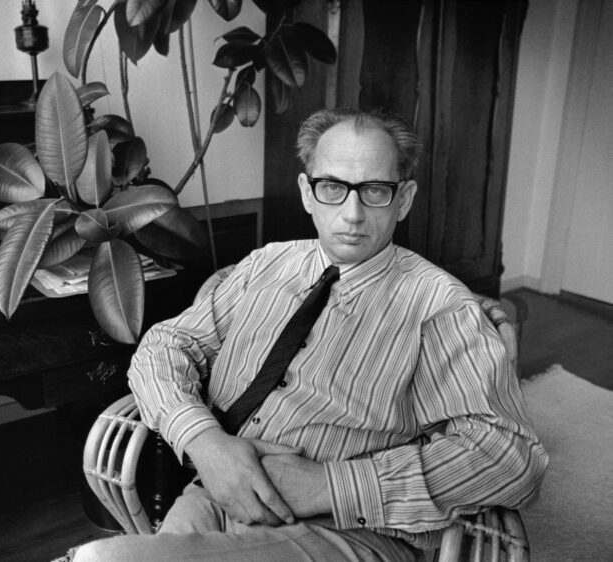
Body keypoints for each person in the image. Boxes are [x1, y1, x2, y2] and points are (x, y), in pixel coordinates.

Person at [73, 108, 548, 561]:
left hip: (345, 531)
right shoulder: (265, 265)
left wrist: (329, 485)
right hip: (217, 490)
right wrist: (206, 443)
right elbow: (165, 346)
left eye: (375, 190)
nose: (353, 213)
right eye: (332, 187)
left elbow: (509, 457)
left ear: (403, 199)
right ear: (307, 192)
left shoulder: (440, 306)